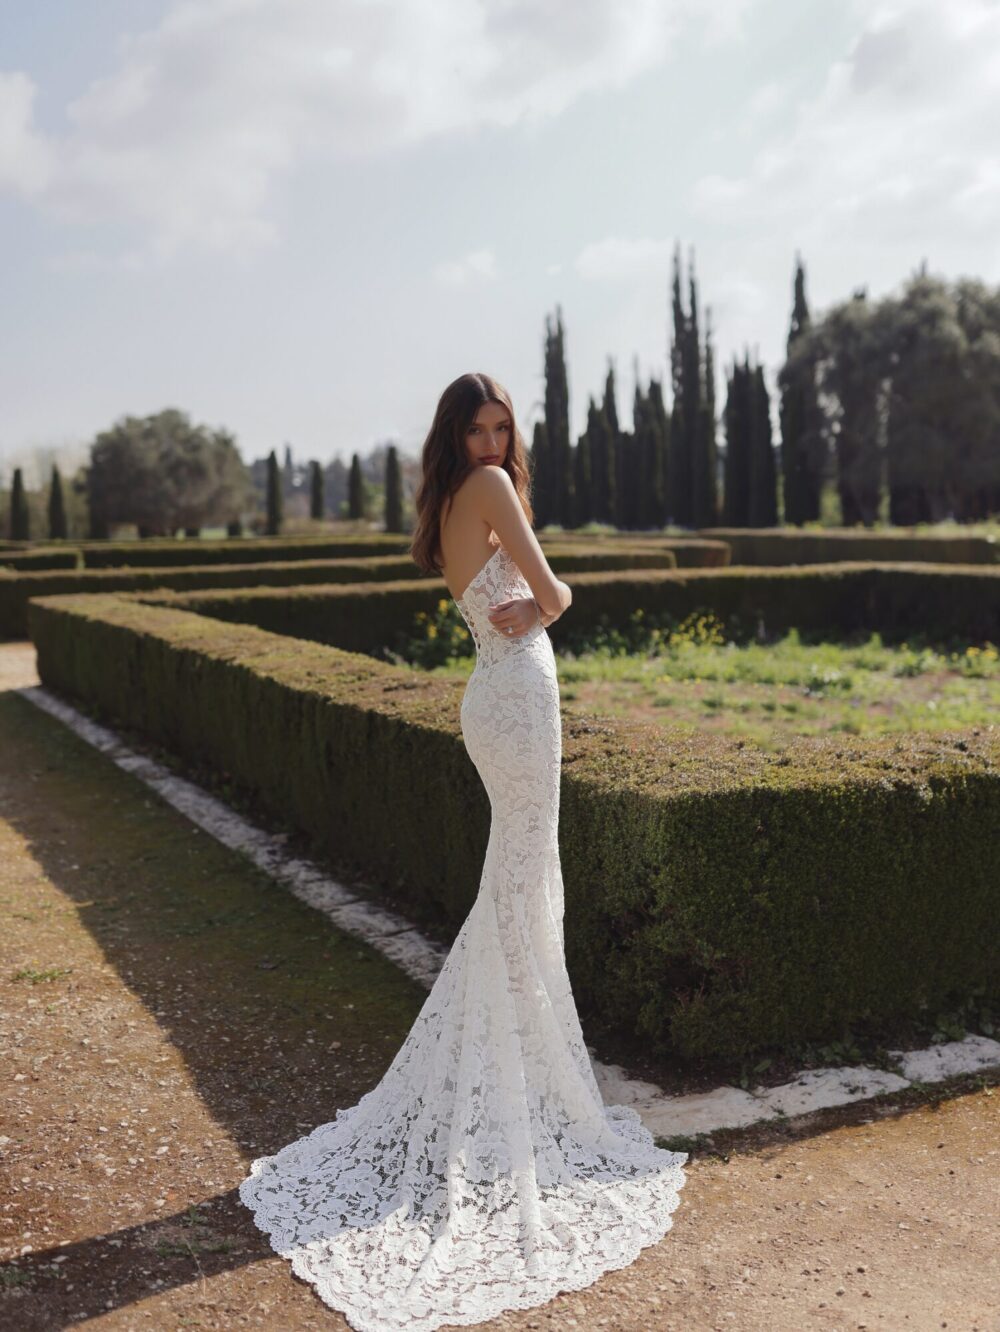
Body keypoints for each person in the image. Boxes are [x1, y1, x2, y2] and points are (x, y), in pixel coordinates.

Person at [239, 372, 688, 1331]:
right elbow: (557, 594)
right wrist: (554, 597)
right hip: (518, 699)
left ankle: (512, 1082)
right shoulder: (490, 491)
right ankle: (520, 1097)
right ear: (456, 435)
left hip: (495, 698)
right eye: (477, 428)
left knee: (516, 892)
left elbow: (511, 596)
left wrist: (532, 605)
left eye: (502, 426)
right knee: (521, 894)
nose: (491, 441)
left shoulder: (450, 500)